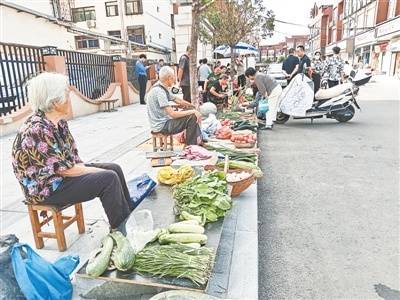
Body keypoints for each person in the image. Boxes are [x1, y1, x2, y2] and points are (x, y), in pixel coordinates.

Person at [11, 73, 133, 233]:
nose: (70, 98)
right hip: (46, 188)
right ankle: (119, 232)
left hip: (61, 176)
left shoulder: (59, 123)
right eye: (66, 95)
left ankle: (128, 218)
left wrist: (94, 169)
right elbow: (66, 170)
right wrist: (98, 172)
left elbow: (73, 159)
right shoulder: (36, 129)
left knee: (114, 168)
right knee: (108, 178)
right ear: (55, 102)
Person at [147, 66, 202, 145]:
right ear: (169, 78)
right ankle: (191, 146)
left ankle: (196, 140)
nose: (174, 81)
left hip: (163, 122)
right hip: (162, 126)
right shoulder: (160, 92)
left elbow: (178, 100)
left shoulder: (161, 87)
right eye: (173, 78)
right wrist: (193, 111)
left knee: (190, 112)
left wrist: (192, 106)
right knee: (192, 117)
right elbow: (173, 114)